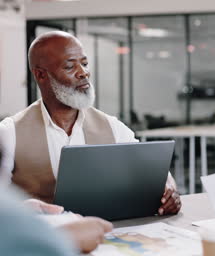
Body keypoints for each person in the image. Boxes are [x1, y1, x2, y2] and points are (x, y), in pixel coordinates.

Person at [0, 30, 181, 216]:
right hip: (41, 239)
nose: (84, 73)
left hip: (105, 236)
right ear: (41, 75)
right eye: (70, 67)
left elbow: (155, 173)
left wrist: (169, 192)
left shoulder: (112, 127)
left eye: (84, 64)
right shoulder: (10, 132)